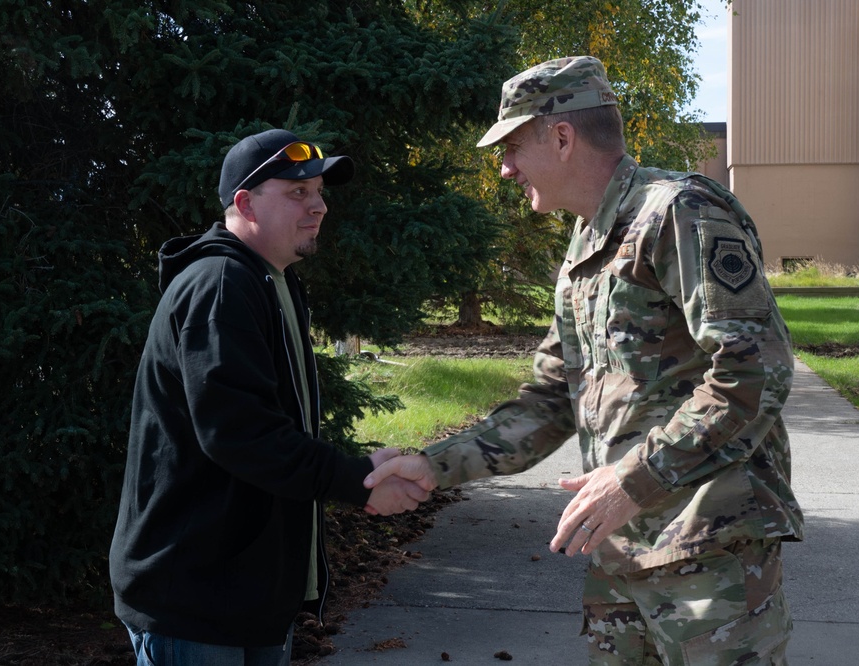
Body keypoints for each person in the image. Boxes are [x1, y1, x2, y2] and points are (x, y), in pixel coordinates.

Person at [365, 56, 805, 665]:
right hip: (623, 550)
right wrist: (433, 466)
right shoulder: (588, 241)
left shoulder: (679, 213)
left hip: (709, 548)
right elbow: (550, 399)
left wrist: (633, 480)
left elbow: (755, 369)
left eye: (513, 147)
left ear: (562, 136)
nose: (504, 167)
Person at [109, 128, 428, 666]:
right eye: (296, 192)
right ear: (244, 203)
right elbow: (240, 432)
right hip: (193, 598)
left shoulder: (269, 282)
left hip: (247, 594)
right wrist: (356, 480)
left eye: (320, 192)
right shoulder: (219, 284)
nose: (319, 206)